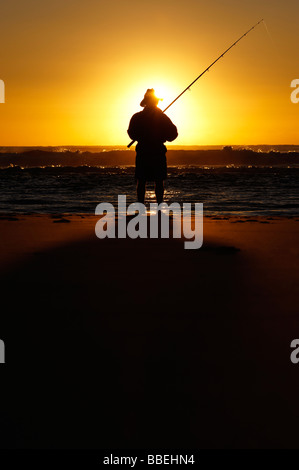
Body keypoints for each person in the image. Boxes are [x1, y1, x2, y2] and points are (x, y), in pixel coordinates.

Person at [127, 88, 178, 204]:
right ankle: (159, 207)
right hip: (157, 152)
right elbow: (173, 134)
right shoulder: (162, 117)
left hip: (143, 152)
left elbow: (131, 133)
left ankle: (141, 208)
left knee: (141, 181)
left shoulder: (137, 117)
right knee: (159, 181)